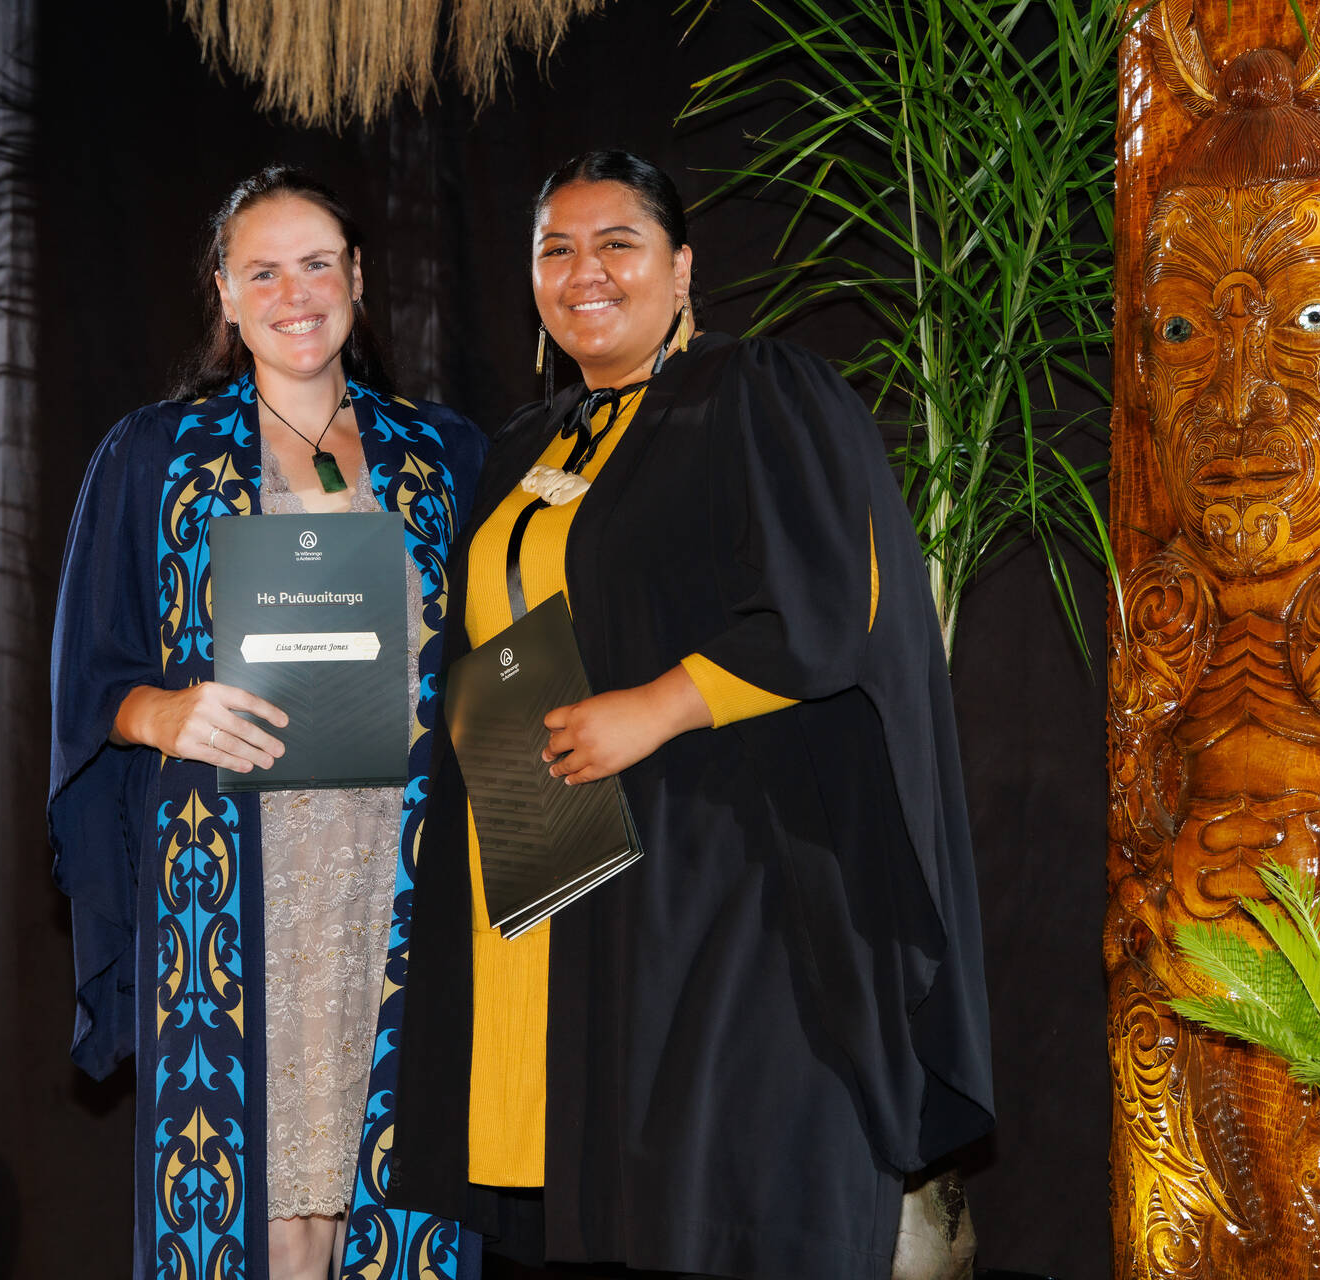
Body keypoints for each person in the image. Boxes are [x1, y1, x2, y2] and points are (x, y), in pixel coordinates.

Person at [388, 150, 994, 1279]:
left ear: (681, 267)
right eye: (556, 250)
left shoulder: (756, 392)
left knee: (714, 1195)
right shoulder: (525, 444)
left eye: (618, 243)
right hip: (564, 869)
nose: (585, 271)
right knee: (601, 1208)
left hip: (730, 863)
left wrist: (658, 708)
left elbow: (833, 602)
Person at [48, 166, 487, 1280]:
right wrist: (163, 712)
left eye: (317, 264)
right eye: (263, 271)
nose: (295, 294)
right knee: (270, 1217)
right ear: (225, 293)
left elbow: (501, 650)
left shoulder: (443, 454)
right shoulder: (155, 457)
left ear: (357, 278)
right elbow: (89, 678)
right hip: (237, 881)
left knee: (397, 1190)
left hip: (401, 878)